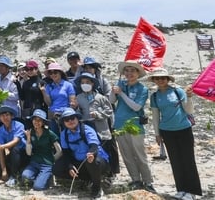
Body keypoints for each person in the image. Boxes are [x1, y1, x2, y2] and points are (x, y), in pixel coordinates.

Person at [148, 68, 202, 200]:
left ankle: (192, 191)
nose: (160, 80)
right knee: (175, 161)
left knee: (188, 160)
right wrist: (157, 134)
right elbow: (155, 116)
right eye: (157, 78)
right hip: (166, 131)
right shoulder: (154, 96)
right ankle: (181, 189)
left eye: (163, 78)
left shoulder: (178, 91)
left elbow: (189, 110)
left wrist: (189, 97)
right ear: (154, 80)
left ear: (168, 79)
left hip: (184, 129)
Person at [110, 61, 155, 192]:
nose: (129, 73)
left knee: (139, 154)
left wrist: (122, 94)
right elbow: (111, 101)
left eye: (132, 71)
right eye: (127, 70)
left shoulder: (142, 89)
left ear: (138, 73)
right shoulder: (121, 84)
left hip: (135, 125)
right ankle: (135, 179)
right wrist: (114, 91)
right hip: (119, 124)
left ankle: (148, 181)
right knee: (127, 155)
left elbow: (136, 106)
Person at [54, 107, 109, 199]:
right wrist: (70, 166)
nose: (70, 121)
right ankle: (87, 179)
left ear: (77, 118)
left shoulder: (87, 130)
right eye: (67, 119)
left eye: (72, 118)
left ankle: (97, 187)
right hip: (79, 161)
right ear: (63, 122)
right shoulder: (64, 134)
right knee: (57, 168)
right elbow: (66, 152)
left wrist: (91, 153)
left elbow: (94, 146)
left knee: (91, 162)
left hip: (97, 160)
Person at [75, 72, 119, 175]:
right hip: (87, 127)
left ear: (92, 84)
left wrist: (98, 114)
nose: (85, 84)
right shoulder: (79, 98)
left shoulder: (100, 97)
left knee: (105, 150)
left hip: (101, 128)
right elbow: (77, 112)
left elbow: (109, 111)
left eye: (87, 82)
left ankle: (109, 173)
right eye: (82, 82)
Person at [21, 109, 61, 191]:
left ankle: (46, 177)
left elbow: (59, 151)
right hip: (34, 163)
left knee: (38, 187)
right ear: (32, 120)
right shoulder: (30, 132)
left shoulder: (49, 133)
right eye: (35, 119)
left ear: (43, 122)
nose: (37, 122)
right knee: (25, 178)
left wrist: (52, 160)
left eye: (40, 120)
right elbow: (28, 153)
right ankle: (41, 178)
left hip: (46, 164)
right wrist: (28, 139)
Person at [0, 105, 26, 187]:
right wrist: (4, 170)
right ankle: (16, 172)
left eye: (7, 115)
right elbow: (1, 151)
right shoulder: (0, 130)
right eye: (2, 116)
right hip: (11, 155)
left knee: (15, 149)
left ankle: (14, 176)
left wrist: (2, 147)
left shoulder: (19, 125)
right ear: (0, 118)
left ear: (11, 116)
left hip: (24, 153)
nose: (5, 117)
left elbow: (16, 141)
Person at [42, 62, 76, 133]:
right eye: (50, 73)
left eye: (55, 72)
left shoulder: (68, 85)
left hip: (66, 115)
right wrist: (44, 92)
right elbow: (49, 103)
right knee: (55, 136)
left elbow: (72, 101)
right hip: (53, 115)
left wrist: (66, 114)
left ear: (60, 73)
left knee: (67, 134)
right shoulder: (48, 86)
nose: (53, 74)